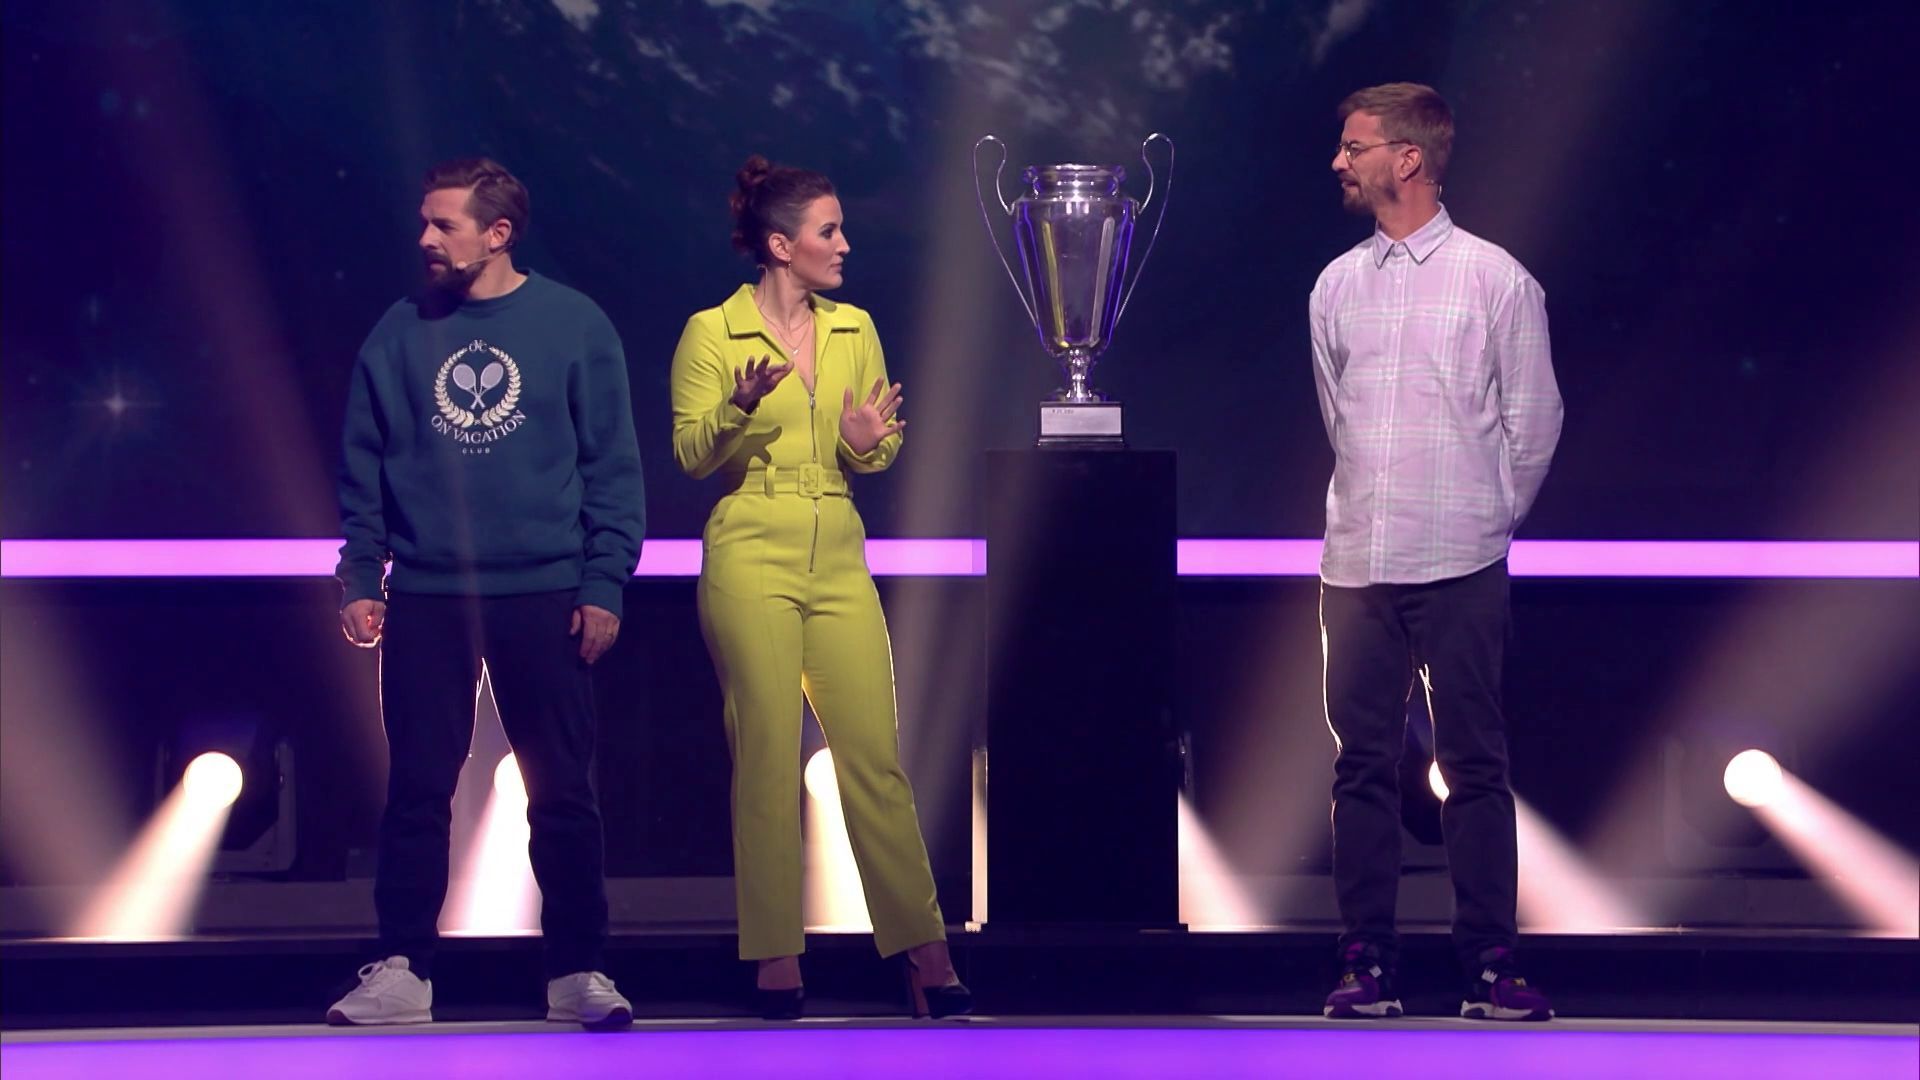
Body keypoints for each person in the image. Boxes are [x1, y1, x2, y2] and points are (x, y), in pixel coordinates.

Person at [328, 157, 643, 1029]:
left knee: (562, 792)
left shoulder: (574, 324)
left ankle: (577, 970)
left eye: (445, 224)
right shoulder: (398, 330)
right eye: (424, 222)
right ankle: (403, 969)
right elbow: (362, 466)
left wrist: (604, 581)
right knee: (418, 788)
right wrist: (360, 575)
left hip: (546, 589)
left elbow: (612, 468)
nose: (425, 238)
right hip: (428, 594)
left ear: (498, 234)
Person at [668, 155, 969, 1020]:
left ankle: (925, 952)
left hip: (838, 546)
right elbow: (691, 454)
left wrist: (867, 442)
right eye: (828, 231)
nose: (844, 245)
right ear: (780, 244)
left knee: (873, 757)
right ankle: (775, 956)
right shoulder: (712, 332)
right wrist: (737, 407)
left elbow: (878, 445)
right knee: (765, 755)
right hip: (750, 545)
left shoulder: (853, 327)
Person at [1309, 83, 1563, 1021]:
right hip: (1357, 566)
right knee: (1362, 768)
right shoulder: (1336, 286)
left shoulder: (1496, 280)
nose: (1339, 162)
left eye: (1355, 147)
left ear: (1407, 159)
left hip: (1462, 559)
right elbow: (1339, 419)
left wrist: (1485, 523)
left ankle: (1490, 963)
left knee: (1475, 764)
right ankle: (1366, 962)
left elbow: (1534, 422)